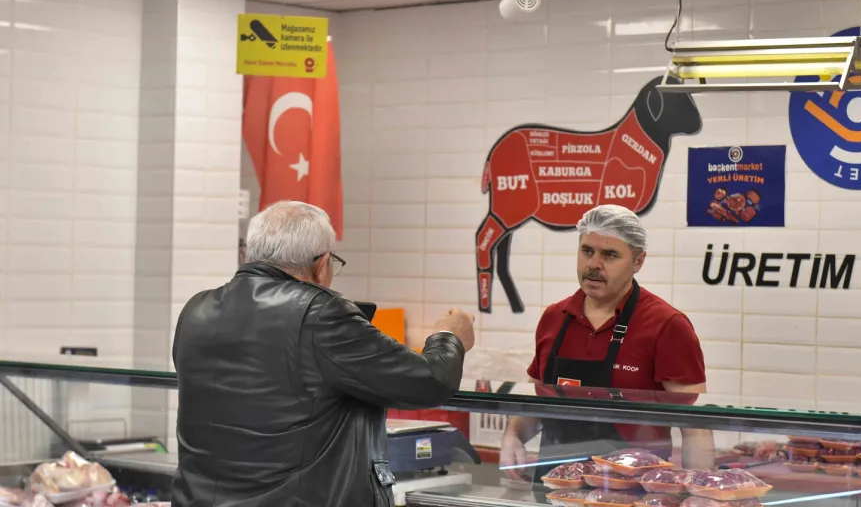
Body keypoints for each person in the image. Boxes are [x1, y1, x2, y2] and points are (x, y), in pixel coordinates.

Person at [170, 200, 475, 507]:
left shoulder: (196, 310)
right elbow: (429, 381)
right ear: (321, 263)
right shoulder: (320, 313)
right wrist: (450, 336)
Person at [499, 204, 714, 481]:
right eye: (587, 251)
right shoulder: (555, 317)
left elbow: (694, 424)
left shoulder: (667, 324)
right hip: (555, 487)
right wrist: (513, 435)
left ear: (638, 262)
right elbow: (538, 402)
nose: (593, 264)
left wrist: (699, 488)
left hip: (633, 492)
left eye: (610, 255)